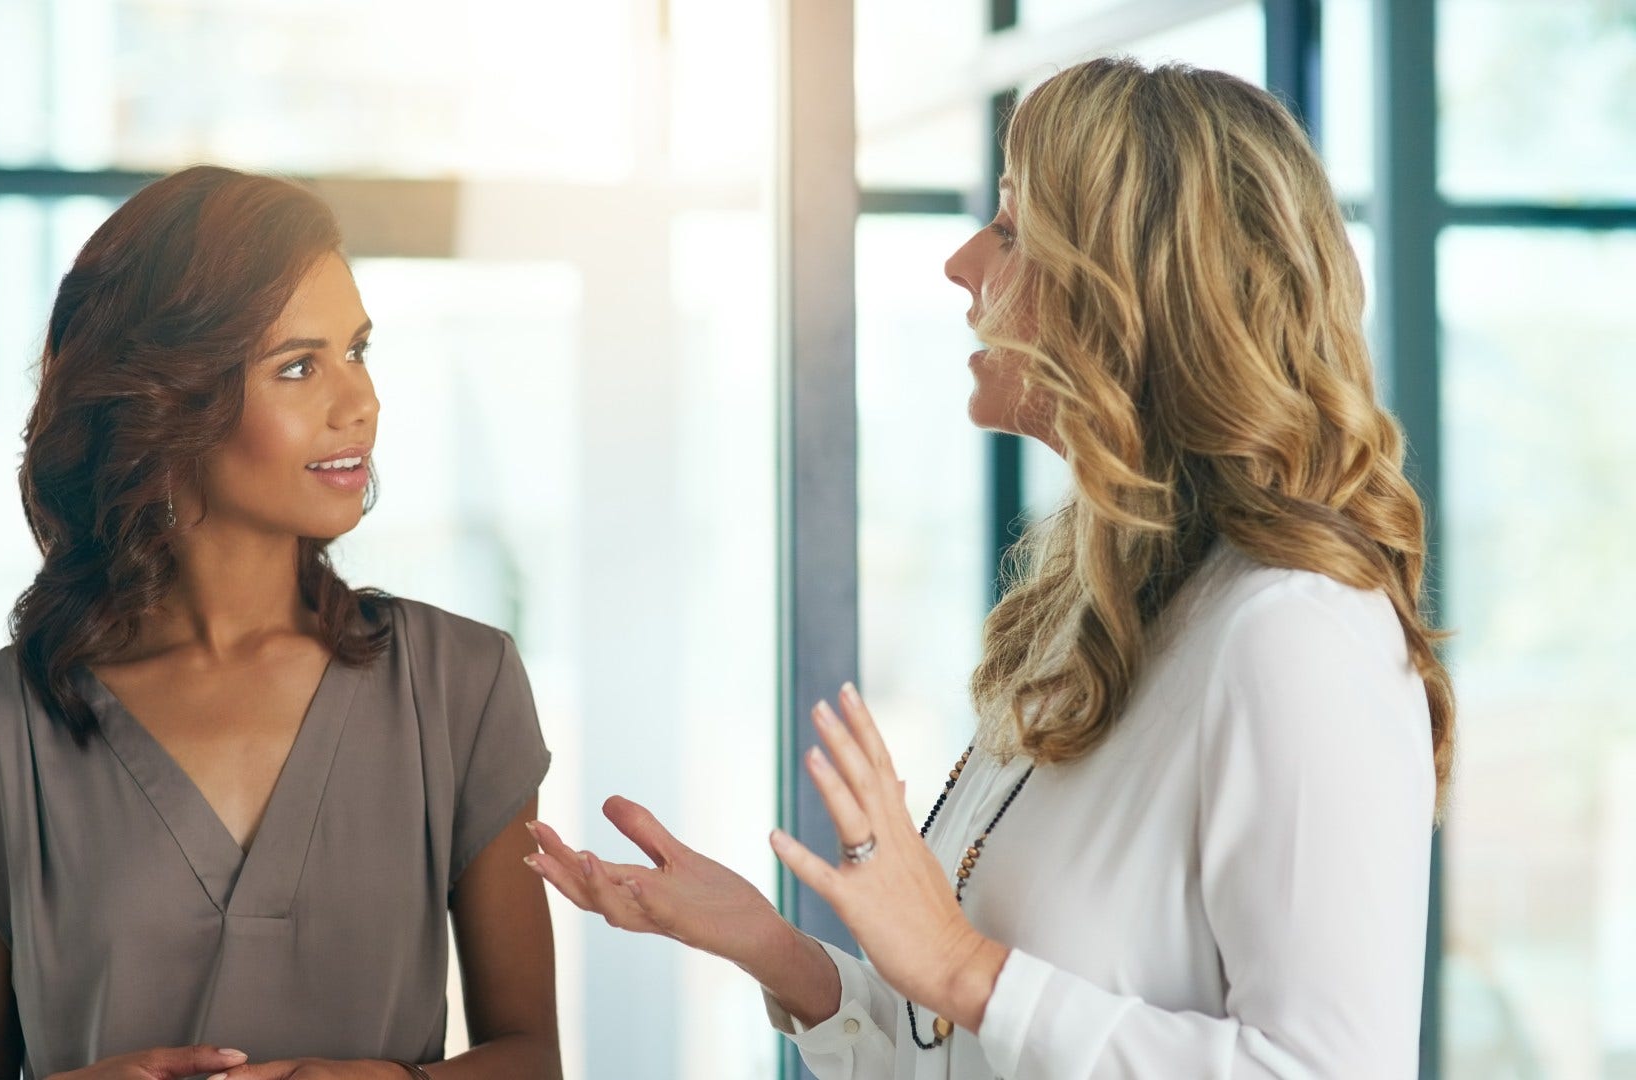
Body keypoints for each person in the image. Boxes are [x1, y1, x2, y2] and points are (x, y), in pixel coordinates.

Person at [527, 58, 1453, 1078]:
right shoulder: (1101, 618)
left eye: (1011, 230)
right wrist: (779, 953)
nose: (961, 263)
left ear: (1135, 289)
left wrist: (963, 967)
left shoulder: (1295, 632)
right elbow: (965, 1045)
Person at [0, 166, 560, 1080]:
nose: (360, 402)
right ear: (166, 401)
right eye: (298, 366)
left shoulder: (460, 684)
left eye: (357, 351)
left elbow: (533, 1059)